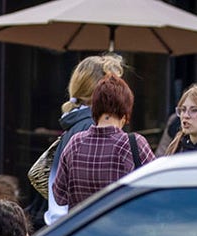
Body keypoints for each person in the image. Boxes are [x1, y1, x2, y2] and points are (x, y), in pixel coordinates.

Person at [45, 53, 124, 226]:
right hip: (85, 231)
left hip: (69, 229)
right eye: (114, 84)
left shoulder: (76, 125)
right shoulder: (90, 127)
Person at [53, 75, 154, 210]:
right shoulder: (133, 144)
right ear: (125, 113)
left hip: (82, 228)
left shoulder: (75, 143)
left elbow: (59, 197)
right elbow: (158, 188)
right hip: (123, 228)